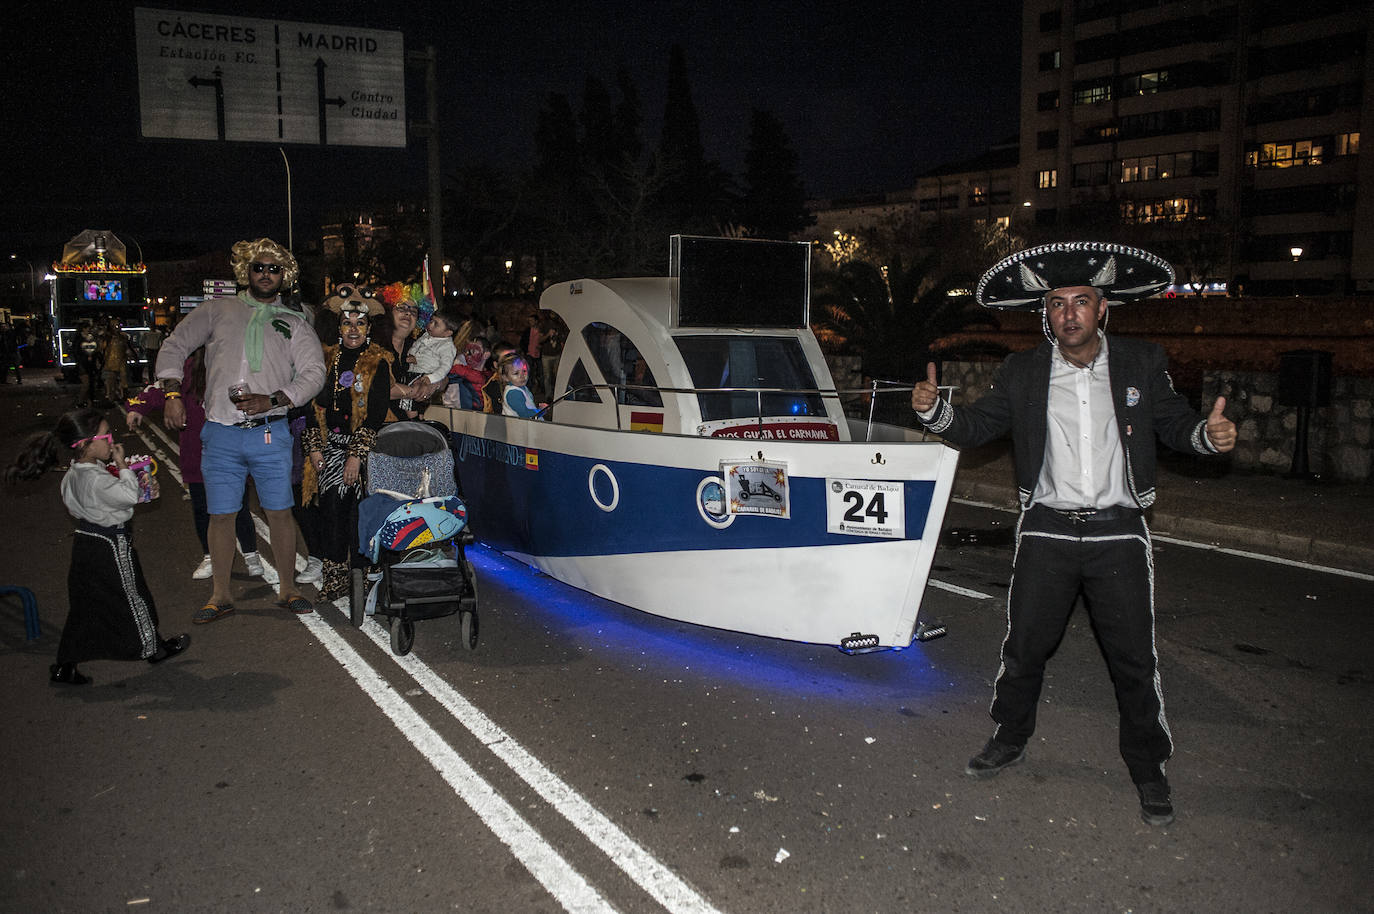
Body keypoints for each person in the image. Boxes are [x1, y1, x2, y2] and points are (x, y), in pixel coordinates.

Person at [909, 241, 1238, 828]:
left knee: (1134, 658)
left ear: (1102, 308)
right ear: (1046, 313)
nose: (1069, 314)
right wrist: (937, 414)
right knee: (1025, 647)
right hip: (1046, 531)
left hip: (1118, 532)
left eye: (1080, 302)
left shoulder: (1140, 362)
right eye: (1057, 303)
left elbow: (1175, 424)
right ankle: (1008, 737)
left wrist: (1207, 439)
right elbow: (980, 426)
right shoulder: (1024, 370)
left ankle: (1148, 768)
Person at [155, 237, 325, 623]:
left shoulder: (296, 323)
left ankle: (288, 589)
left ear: (285, 275)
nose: (266, 274)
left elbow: (315, 373)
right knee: (221, 515)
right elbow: (175, 345)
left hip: (271, 432)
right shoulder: (216, 311)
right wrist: (171, 392)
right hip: (221, 433)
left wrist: (277, 399)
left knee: (280, 512)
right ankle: (220, 595)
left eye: (274, 268)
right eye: (259, 267)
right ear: (245, 271)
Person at [5, 407, 191, 684]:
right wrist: (125, 467)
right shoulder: (95, 479)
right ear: (85, 445)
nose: (111, 440)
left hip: (85, 542)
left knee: (85, 605)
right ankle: (154, 648)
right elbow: (129, 495)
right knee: (134, 596)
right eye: (105, 436)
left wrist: (116, 469)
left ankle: (65, 664)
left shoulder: (75, 473)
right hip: (111, 543)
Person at [126, 351, 263, 581]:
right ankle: (210, 556)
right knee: (202, 509)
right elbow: (157, 390)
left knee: (239, 507)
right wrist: (136, 407)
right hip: (196, 452)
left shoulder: (234, 363)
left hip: (231, 450)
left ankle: (251, 553)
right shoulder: (184, 369)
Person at [300, 285, 395, 602]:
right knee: (331, 514)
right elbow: (312, 406)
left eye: (360, 323)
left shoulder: (378, 361)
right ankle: (336, 580)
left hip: (365, 452)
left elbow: (376, 415)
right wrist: (314, 446)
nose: (353, 329)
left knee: (362, 517)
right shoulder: (325, 359)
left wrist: (355, 456)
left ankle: (367, 580)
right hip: (329, 449)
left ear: (369, 329)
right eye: (347, 323)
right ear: (338, 327)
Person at [499, 353, 544, 419]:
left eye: (524, 371)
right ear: (505, 377)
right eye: (516, 373)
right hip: (519, 427)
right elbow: (525, 413)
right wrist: (541, 410)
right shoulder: (513, 393)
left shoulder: (521, 387)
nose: (522, 376)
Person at [480, 342, 517, 413]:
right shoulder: (493, 387)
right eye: (506, 360)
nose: (512, 363)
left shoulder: (519, 380)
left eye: (514, 359)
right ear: (496, 365)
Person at [100, 318, 130, 403]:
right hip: (110, 362)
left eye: (118, 325)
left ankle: (123, 395)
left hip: (121, 361)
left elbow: (127, 348)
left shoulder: (123, 337)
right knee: (111, 381)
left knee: (123, 379)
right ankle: (111, 397)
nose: (117, 327)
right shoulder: (107, 337)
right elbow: (102, 349)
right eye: (115, 326)